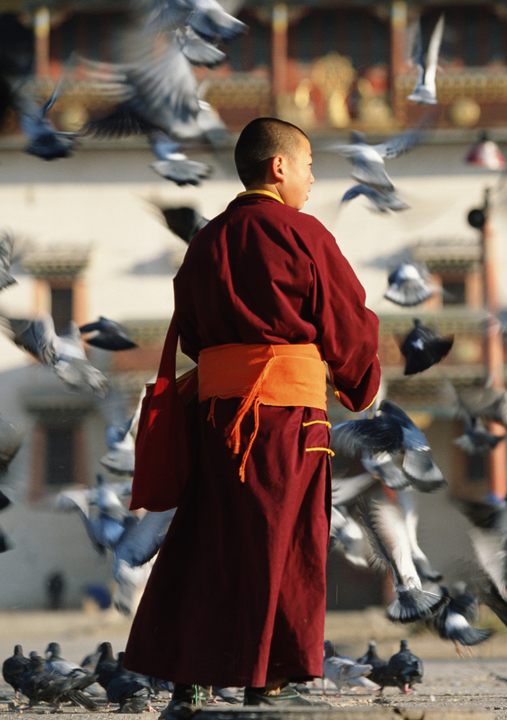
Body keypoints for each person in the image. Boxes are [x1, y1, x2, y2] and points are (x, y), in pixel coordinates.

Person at [123, 117, 381, 713]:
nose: (314, 179)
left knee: (210, 539)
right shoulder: (303, 234)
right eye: (310, 165)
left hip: (218, 418)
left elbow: (191, 333)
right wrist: (357, 380)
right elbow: (346, 319)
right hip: (286, 417)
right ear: (281, 166)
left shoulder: (207, 241)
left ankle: (191, 681)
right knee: (282, 541)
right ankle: (268, 682)